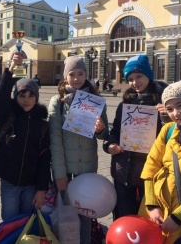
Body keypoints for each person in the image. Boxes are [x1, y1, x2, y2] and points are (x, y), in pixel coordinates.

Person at [48, 55, 109, 243]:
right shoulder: (57, 102)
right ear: (65, 77)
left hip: (87, 169)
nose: (76, 78)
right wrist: (59, 174)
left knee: (85, 215)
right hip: (65, 169)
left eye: (80, 74)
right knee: (65, 217)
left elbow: (103, 136)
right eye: (72, 74)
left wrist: (101, 129)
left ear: (86, 75)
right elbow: (55, 139)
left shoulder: (96, 100)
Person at [103, 54, 170, 220]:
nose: (135, 82)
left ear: (148, 75)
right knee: (124, 217)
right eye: (130, 78)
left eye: (139, 76)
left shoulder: (164, 104)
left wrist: (167, 116)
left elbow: (172, 136)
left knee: (148, 218)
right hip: (122, 171)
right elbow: (115, 131)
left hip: (150, 172)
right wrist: (110, 145)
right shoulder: (124, 104)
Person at [0, 52, 51, 221]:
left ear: (37, 98)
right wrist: (9, 71)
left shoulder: (42, 125)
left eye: (31, 96)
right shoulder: (8, 117)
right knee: (9, 220)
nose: (26, 100)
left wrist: (41, 189)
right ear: (15, 96)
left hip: (31, 184)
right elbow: (0, 98)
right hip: (9, 182)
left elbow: (45, 159)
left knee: (27, 220)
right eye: (22, 95)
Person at [139, 80, 181, 243]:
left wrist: (179, 216)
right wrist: (151, 205)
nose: (176, 113)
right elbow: (151, 165)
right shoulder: (168, 130)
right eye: (169, 109)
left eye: (180, 105)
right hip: (158, 205)